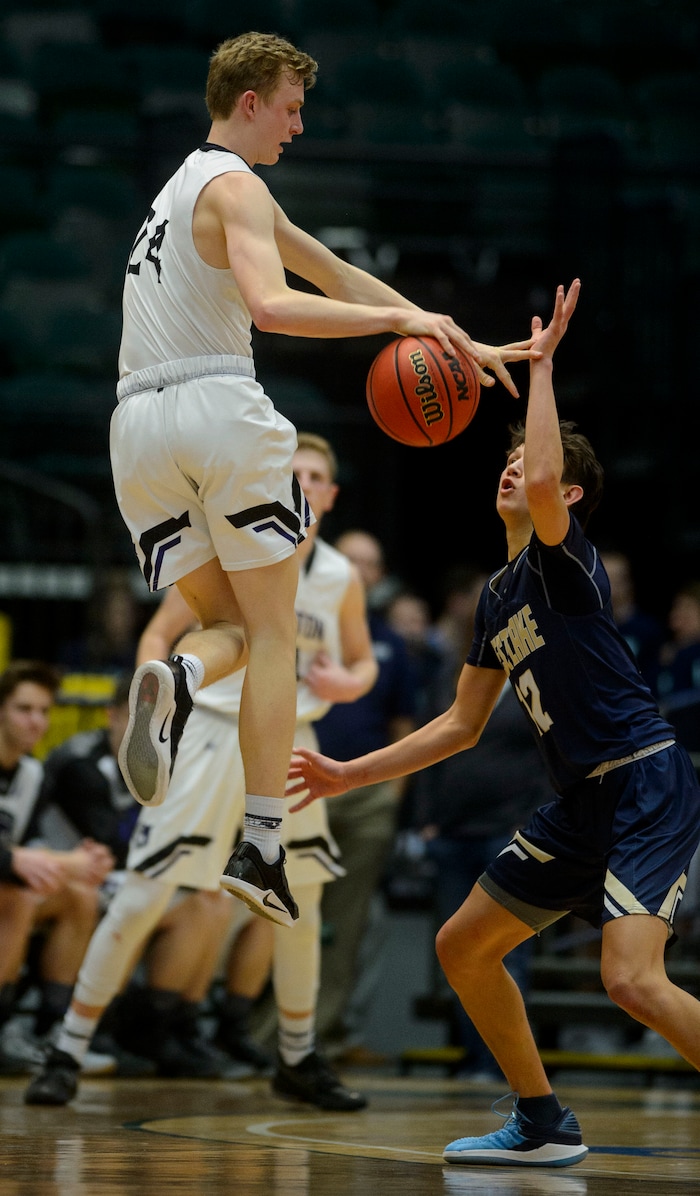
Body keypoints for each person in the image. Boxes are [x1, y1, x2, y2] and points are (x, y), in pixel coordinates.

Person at [109, 30, 538, 932]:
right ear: (251, 100)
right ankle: (261, 840)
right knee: (277, 639)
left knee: (227, 625)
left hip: (135, 429)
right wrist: (390, 323)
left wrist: (438, 328)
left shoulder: (180, 190)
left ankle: (179, 676)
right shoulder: (237, 185)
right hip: (219, 405)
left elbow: (332, 269)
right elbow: (274, 305)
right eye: (293, 108)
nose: (299, 127)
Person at [287, 280, 700, 1168]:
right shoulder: (498, 597)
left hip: (644, 780)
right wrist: (347, 773)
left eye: (531, 465)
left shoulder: (565, 565)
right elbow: (457, 727)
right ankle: (543, 1121)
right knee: (464, 946)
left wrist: (541, 365)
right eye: (504, 461)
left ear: (573, 501)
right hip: (579, 801)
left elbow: (547, 470)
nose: (513, 467)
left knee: (630, 980)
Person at [25, 432, 377, 1109]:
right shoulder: (234, 552)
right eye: (293, 471)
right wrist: (146, 712)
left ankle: (298, 1057)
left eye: (316, 474)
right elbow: (159, 634)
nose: (304, 481)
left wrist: (351, 683)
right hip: (211, 732)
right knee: (143, 894)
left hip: (293, 742)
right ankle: (67, 1049)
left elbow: (363, 664)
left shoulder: (337, 578)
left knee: (299, 908)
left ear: (330, 495)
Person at [308, 529, 419, 1063]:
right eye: (349, 558)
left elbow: (405, 726)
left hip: (366, 799)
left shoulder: (390, 644)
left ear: (378, 577)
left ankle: (323, 1035)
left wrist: (392, 797)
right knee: (282, 913)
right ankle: (261, 1033)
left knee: (346, 926)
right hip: (298, 791)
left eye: (369, 562)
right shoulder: (302, 624)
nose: (357, 569)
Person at [0, 661, 113, 1072]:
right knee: (19, 897)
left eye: (44, 711)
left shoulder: (33, 774)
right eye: (24, 709)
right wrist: (20, 859)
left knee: (80, 896)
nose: (37, 721)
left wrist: (79, 865)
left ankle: (53, 1030)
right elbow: (15, 858)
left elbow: (23, 852)